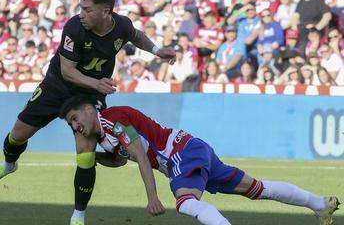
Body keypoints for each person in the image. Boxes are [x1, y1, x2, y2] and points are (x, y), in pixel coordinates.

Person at [0, 0, 176, 225]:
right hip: (58, 85)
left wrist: (156, 51)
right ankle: (9, 166)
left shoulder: (121, 25)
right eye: (80, 7)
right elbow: (68, 71)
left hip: (89, 96)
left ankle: (78, 217)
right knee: (18, 134)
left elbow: (136, 36)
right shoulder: (74, 28)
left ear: (106, 12)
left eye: (87, 9)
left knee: (85, 152)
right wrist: (96, 83)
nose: (81, 14)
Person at [59, 96, 341, 225]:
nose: (75, 127)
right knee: (256, 189)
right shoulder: (107, 136)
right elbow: (122, 160)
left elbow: (141, 159)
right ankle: (321, 205)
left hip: (180, 153)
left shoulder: (113, 120)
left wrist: (152, 197)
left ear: (88, 109)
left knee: (185, 203)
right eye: (71, 125)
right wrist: (96, 158)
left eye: (75, 119)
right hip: (192, 148)